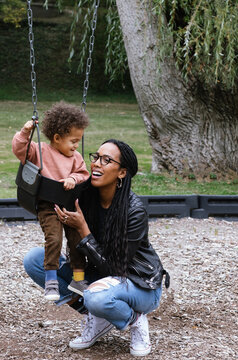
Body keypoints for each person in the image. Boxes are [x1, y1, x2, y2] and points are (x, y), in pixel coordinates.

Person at [23, 139, 170, 357]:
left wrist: (82, 228)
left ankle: (135, 320)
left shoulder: (134, 212)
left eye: (107, 160)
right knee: (35, 260)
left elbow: (114, 267)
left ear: (122, 172)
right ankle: (98, 317)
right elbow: (49, 195)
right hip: (101, 279)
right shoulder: (86, 197)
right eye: (96, 158)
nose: (97, 164)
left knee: (96, 297)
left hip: (139, 284)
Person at [13, 102, 91, 301]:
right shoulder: (39, 151)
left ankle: (79, 278)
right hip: (48, 205)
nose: (76, 146)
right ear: (57, 138)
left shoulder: (76, 157)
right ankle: (50, 280)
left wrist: (73, 179)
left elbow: (83, 174)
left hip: (69, 204)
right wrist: (25, 131)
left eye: (78, 141)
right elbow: (19, 149)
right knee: (54, 239)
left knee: (76, 241)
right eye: (73, 141)